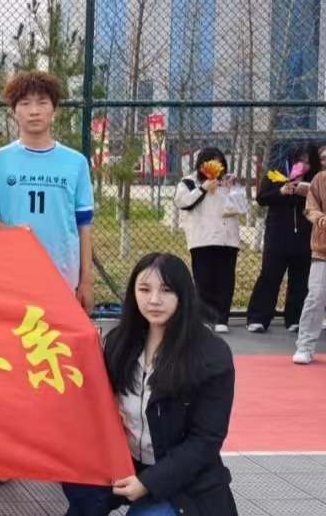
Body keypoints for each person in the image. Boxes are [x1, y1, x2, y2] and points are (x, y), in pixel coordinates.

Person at [63, 252, 237, 516]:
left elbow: (205, 441)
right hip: (126, 463)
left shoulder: (211, 355)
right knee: (79, 484)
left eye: (166, 290)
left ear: (184, 294)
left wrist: (147, 483)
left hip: (183, 478)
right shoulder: (118, 343)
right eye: (144, 289)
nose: (154, 300)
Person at [0, 71, 94, 313]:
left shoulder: (76, 162)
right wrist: (14, 233)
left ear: (55, 110)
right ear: (13, 111)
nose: (34, 111)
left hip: (62, 276)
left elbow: (84, 225)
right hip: (10, 278)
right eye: (25, 103)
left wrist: (86, 280)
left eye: (42, 103)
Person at [246, 143, 320, 333]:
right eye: (301, 161)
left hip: (303, 234)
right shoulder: (276, 174)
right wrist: (281, 191)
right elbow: (262, 198)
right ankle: (258, 317)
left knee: (300, 277)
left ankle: (294, 318)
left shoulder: (315, 178)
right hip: (278, 233)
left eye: (308, 163)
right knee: (270, 275)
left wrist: (307, 192)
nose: (304, 166)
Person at [173, 148, 241, 333]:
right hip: (203, 239)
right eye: (211, 162)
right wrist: (203, 188)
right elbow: (182, 202)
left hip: (228, 238)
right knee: (204, 280)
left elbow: (242, 207)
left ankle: (222, 319)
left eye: (219, 162)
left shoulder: (228, 181)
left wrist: (232, 190)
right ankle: (204, 318)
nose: (216, 166)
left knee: (225, 280)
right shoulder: (189, 182)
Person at [295, 164, 326, 364]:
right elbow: (310, 208)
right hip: (323, 250)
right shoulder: (320, 179)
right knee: (315, 297)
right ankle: (305, 346)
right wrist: (321, 219)